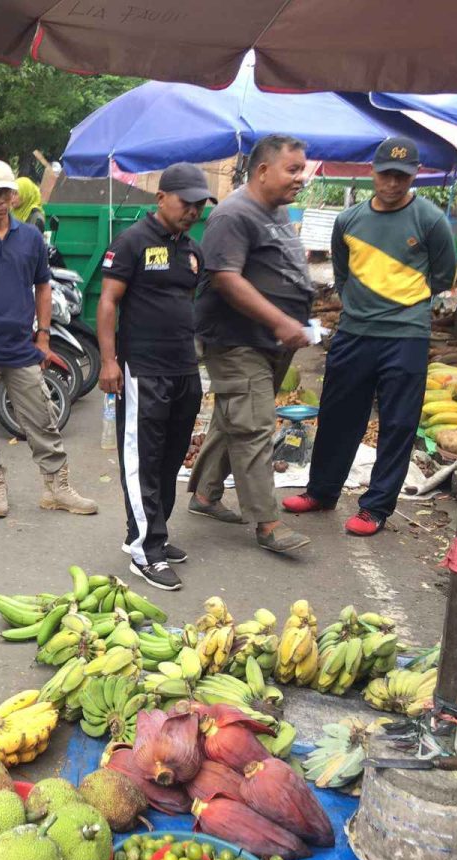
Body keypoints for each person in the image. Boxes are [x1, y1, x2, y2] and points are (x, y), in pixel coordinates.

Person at [285, 139, 457, 535]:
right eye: (386, 174)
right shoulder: (349, 221)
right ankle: (321, 491)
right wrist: (356, 304)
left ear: (413, 176)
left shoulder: (430, 220)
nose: (392, 183)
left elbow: (443, 276)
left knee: (397, 423)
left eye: (401, 176)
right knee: (337, 415)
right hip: (354, 332)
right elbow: (341, 274)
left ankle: (375, 507)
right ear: (372, 172)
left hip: (406, 336)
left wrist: (406, 307)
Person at [187, 134, 314, 554]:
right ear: (263, 170)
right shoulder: (234, 214)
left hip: (268, 342)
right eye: (292, 169)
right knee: (255, 425)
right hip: (237, 340)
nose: (302, 177)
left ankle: (205, 496)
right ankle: (268, 522)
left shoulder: (272, 211)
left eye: (302, 167)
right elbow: (225, 277)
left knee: (234, 417)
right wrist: (280, 319)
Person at [0, 158, 98, 518]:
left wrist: (44, 337)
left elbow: (43, 286)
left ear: (14, 196)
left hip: (22, 349)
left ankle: (56, 487)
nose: (0, 201)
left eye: (5, 193)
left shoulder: (29, 237)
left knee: (43, 418)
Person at [97, 163, 215, 590]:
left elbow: (187, 305)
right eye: (186, 202)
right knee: (143, 458)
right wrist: (109, 362)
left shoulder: (193, 251)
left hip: (184, 367)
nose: (193, 211)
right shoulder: (131, 243)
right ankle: (145, 551)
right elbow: (108, 303)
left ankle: (151, 532)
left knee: (171, 456)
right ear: (161, 198)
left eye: (200, 204)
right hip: (143, 370)